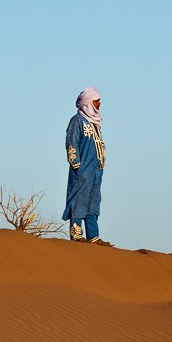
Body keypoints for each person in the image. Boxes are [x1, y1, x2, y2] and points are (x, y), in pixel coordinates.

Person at [64, 88, 111, 245]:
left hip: (96, 170)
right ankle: (76, 234)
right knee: (78, 200)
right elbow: (72, 142)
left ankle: (93, 236)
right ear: (88, 103)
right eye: (96, 101)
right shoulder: (77, 120)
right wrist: (75, 163)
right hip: (82, 170)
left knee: (93, 202)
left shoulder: (95, 123)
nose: (99, 104)